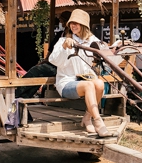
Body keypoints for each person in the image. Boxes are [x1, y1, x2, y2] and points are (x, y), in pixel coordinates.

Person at [48, 8, 112, 138]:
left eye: (76, 23)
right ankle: (99, 122)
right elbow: (53, 60)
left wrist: (116, 47)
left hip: (85, 79)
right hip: (67, 83)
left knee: (99, 84)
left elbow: (105, 53)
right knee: (89, 85)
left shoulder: (91, 41)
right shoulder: (63, 41)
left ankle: (87, 117)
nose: (73, 26)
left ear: (84, 26)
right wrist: (65, 47)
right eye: (71, 23)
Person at [15, 11, 71, 99]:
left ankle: (17, 93)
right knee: (37, 71)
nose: (61, 22)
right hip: (53, 63)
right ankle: (23, 96)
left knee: (36, 70)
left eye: (62, 20)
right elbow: (50, 52)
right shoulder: (60, 35)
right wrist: (44, 61)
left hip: (62, 68)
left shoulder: (72, 37)